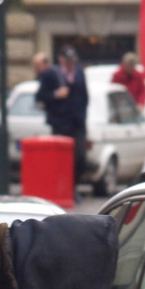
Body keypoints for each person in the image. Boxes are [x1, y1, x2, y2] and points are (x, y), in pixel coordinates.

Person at [40, 46, 89, 185]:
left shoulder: (79, 72)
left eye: (72, 61)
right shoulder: (51, 74)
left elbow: (84, 97)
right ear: (60, 59)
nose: (70, 64)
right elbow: (41, 96)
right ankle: (64, 187)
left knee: (80, 157)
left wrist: (83, 116)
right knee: (62, 158)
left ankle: (74, 186)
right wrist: (56, 94)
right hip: (60, 123)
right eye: (68, 61)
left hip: (77, 123)